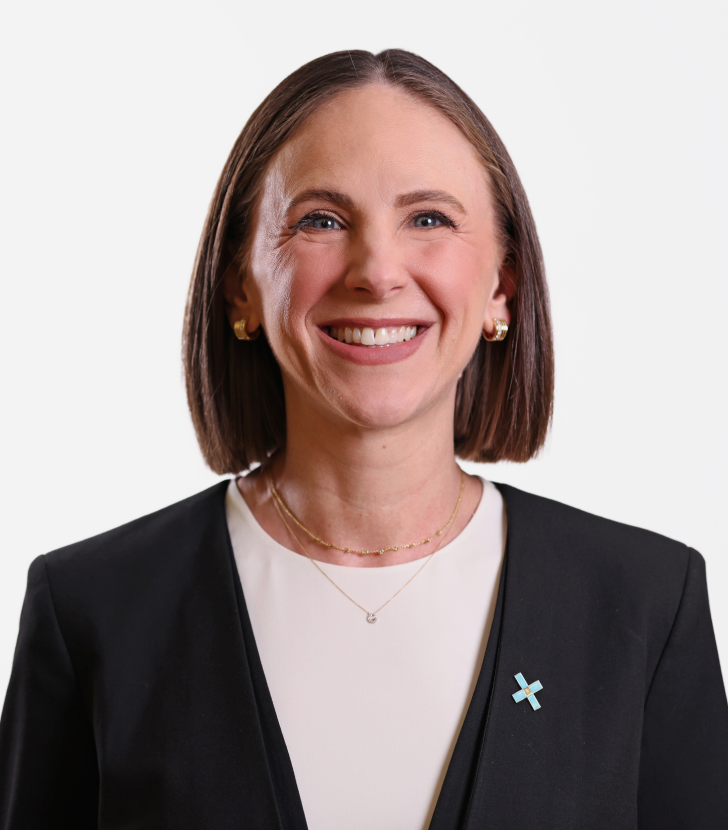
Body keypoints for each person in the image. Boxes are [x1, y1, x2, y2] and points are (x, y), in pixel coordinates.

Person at [1, 48, 726, 830]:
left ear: (501, 287)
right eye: (321, 219)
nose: (377, 271)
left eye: (429, 219)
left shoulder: (646, 605)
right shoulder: (92, 611)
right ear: (240, 284)